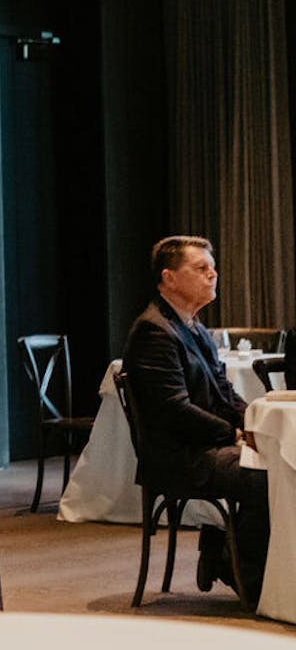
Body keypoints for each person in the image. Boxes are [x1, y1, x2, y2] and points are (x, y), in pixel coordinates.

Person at [122, 235, 269, 602]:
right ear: (169, 278)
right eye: (201, 268)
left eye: (212, 267)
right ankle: (238, 567)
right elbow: (173, 409)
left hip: (205, 446)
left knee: (281, 462)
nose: (213, 274)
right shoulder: (154, 330)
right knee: (269, 475)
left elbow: (223, 391)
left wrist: (254, 424)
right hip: (180, 457)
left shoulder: (194, 327)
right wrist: (234, 433)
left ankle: (231, 554)